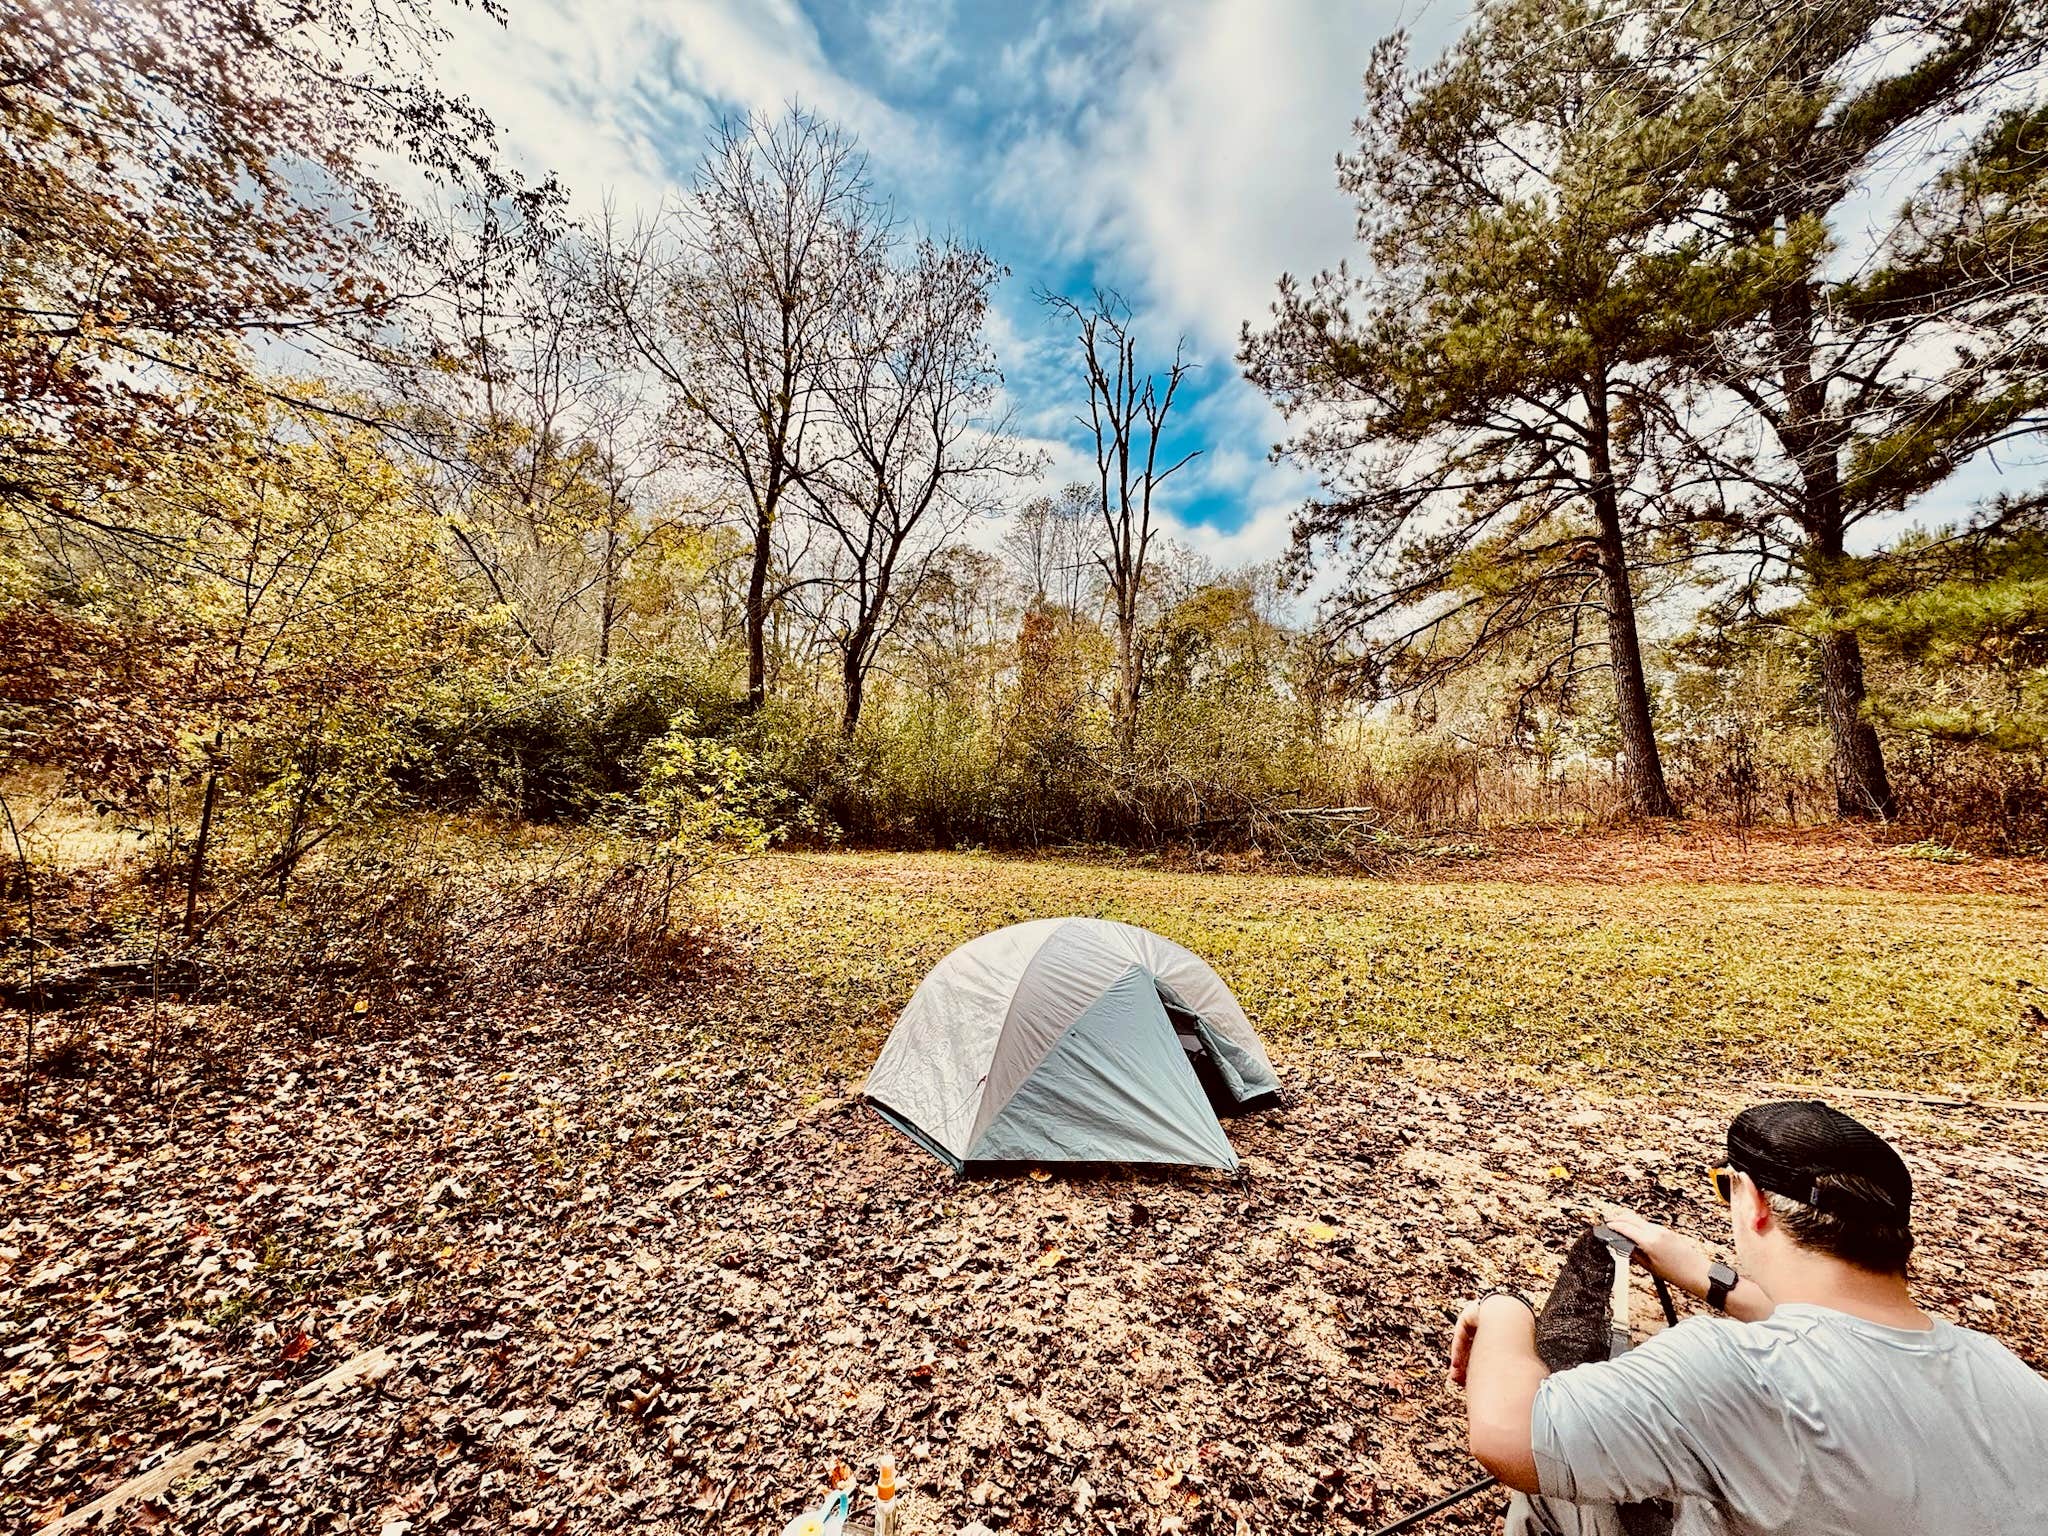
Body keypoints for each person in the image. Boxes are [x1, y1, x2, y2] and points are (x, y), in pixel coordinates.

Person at [1447, 1100, 2048, 1535]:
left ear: (1752, 1200)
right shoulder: (2013, 1377)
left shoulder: (1743, 1370)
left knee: (1552, 1497)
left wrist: (1502, 1310)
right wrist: (1711, 1277)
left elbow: (1510, 1436)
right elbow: (1840, 1336)